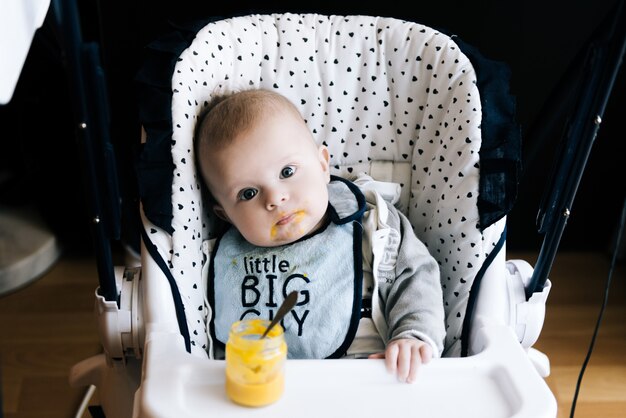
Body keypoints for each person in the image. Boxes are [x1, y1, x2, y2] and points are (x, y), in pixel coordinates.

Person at [195, 88, 445, 384]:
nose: (275, 198)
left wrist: (412, 335)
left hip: (372, 380)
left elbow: (416, 277)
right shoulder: (219, 260)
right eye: (248, 193)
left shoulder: (372, 225)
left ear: (323, 164)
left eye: (287, 172)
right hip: (270, 395)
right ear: (225, 214)